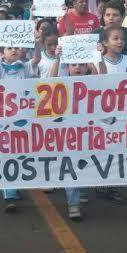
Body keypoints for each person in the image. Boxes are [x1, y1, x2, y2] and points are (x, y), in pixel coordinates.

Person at [0, 27, 33, 211]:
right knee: (7, 154)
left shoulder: (25, 67)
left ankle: (15, 184)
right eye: (8, 47)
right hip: (3, 119)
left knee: (21, 154)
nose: (13, 50)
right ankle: (10, 194)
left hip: (23, 117)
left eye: (16, 47)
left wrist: (36, 41)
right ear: (2, 52)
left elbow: (36, 58)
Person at [48, 58, 92, 219]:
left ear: (87, 66)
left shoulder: (93, 82)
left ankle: (82, 190)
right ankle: (73, 204)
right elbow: (50, 82)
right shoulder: (62, 82)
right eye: (74, 64)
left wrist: (98, 58)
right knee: (71, 167)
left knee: (85, 164)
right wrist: (58, 59)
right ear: (67, 67)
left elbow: (105, 77)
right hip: (68, 134)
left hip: (88, 133)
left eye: (82, 64)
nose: (78, 68)